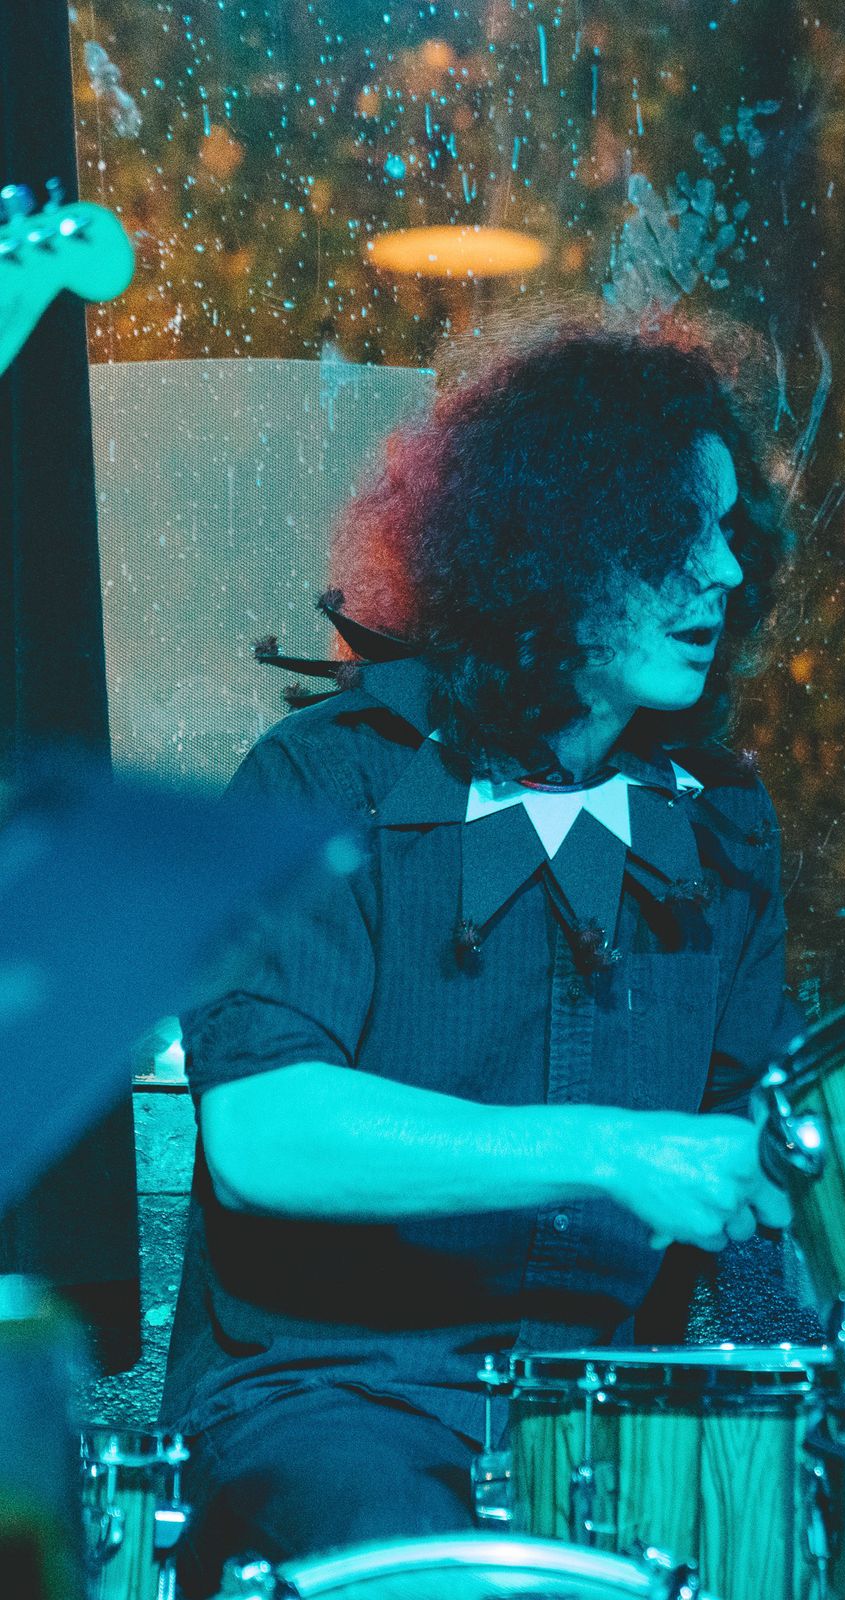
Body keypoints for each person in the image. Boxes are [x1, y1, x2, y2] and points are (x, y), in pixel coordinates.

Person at [161, 322, 801, 1589]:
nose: (725, 571)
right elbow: (262, 1134)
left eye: (733, 532)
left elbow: (753, 1182)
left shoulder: (722, 822)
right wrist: (611, 1147)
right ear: (555, 543)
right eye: (679, 531)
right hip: (328, 1406)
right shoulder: (324, 779)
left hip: (607, 1428)